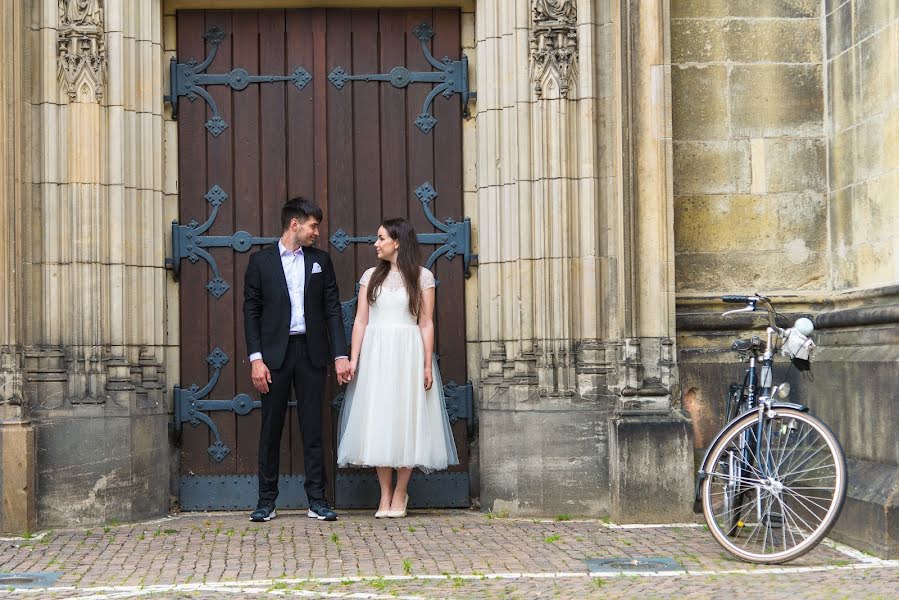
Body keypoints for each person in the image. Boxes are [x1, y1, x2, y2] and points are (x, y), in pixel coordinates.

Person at [336, 217, 459, 518]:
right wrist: (354, 358)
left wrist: (427, 363)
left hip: (408, 353)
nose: (376, 244)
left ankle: (401, 493)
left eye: (380, 238)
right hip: (377, 354)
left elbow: (426, 322)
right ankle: (385, 494)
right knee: (379, 418)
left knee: (406, 419)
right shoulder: (370, 277)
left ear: (397, 242)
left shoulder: (422, 277)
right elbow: (361, 321)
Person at [243, 198, 350, 522]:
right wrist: (256, 359)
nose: (317, 232)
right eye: (313, 226)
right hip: (274, 355)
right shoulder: (260, 262)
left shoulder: (321, 261)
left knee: (313, 428)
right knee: (270, 429)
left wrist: (340, 355)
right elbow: (251, 311)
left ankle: (317, 500)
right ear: (295, 224)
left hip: (311, 351)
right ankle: (266, 502)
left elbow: (332, 308)